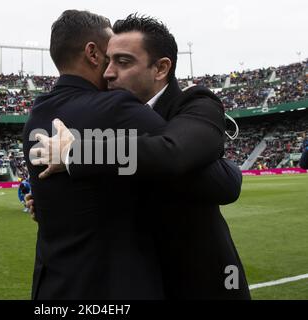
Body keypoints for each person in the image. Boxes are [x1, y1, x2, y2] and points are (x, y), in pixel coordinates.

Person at [24, 10, 244, 300]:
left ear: (161, 68)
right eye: (108, 59)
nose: (108, 71)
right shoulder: (110, 109)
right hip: (147, 280)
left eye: (122, 61)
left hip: (200, 284)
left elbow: (221, 180)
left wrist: (75, 153)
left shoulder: (196, 103)